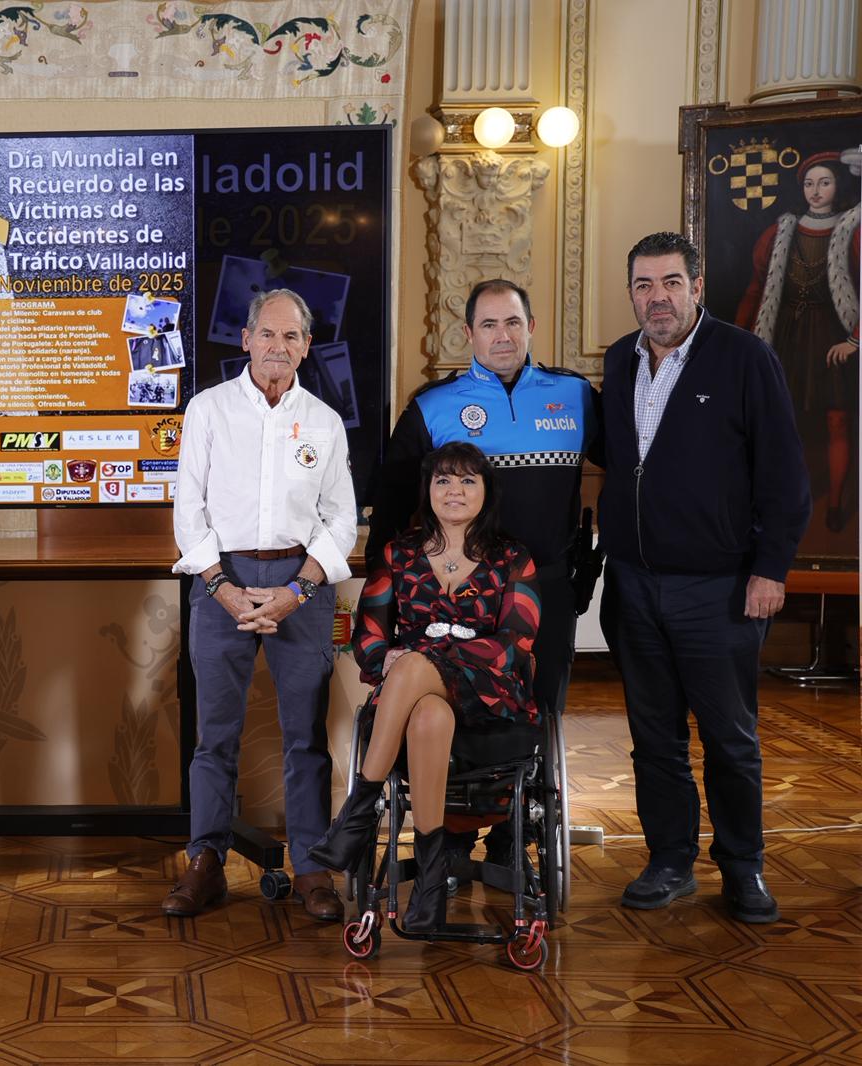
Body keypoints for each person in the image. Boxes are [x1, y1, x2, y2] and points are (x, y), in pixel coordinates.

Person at [600, 231, 810, 924]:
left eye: (670, 283)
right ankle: (669, 861)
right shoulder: (619, 361)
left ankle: (744, 867)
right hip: (634, 586)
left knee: (729, 739)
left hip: (718, 588)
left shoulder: (745, 358)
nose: (656, 298)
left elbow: (785, 475)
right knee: (654, 738)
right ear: (632, 294)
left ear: (696, 287)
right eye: (643, 285)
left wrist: (770, 569)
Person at [366, 279, 598, 871]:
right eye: (489, 324)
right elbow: (393, 508)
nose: (503, 336)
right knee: (453, 711)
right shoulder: (433, 406)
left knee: (535, 712)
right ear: (468, 333)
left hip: (545, 588)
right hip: (455, 593)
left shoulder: (575, 396)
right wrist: (382, 602)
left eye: (513, 322)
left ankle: (511, 842)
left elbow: (635, 466)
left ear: (531, 327)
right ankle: (449, 842)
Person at [167, 288, 358, 922]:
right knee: (214, 736)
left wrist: (296, 591)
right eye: (267, 334)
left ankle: (312, 867)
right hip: (220, 580)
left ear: (306, 347)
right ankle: (205, 862)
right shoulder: (208, 410)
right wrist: (221, 588)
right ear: (246, 340)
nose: (279, 346)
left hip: (299, 582)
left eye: (292, 336)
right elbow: (188, 512)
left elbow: (341, 520)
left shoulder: (325, 422)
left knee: (306, 738)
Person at [309, 441, 541, 931]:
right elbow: (368, 638)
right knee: (429, 712)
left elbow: (516, 644)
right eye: (443, 480)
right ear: (428, 489)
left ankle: (357, 813)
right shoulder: (398, 554)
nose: (454, 490)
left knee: (415, 662)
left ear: (486, 491)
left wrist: (428, 655)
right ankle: (431, 880)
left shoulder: (513, 557)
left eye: (467, 480)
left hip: (490, 696)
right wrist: (389, 658)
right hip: (411, 703)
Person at [735, 150, 859, 534]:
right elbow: (756, 290)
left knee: (837, 422)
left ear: (838, 185)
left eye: (824, 182)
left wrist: (855, 339)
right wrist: (738, 338)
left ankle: (834, 504)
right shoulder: (780, 232)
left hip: (832, 339)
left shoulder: (854, 229)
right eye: (809, 183)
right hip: (786, 335)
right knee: (783, 422)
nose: (815, 190)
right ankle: (785, 504)